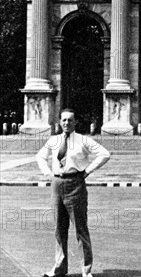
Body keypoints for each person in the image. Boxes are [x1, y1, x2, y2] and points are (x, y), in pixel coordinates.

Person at [36, 108, 110, 277]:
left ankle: (86, 270)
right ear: (59, 122)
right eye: (64, 120)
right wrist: (48, 173)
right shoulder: (54, 141)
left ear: (76, 122)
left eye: (70, 120)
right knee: (59, 228)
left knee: (80, 229)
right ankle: (59, 268)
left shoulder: (84, 140)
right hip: (57, 184)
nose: (67, 123)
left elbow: (105, 154)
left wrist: (88, 170)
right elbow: (40, 156)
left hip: (75, 183)